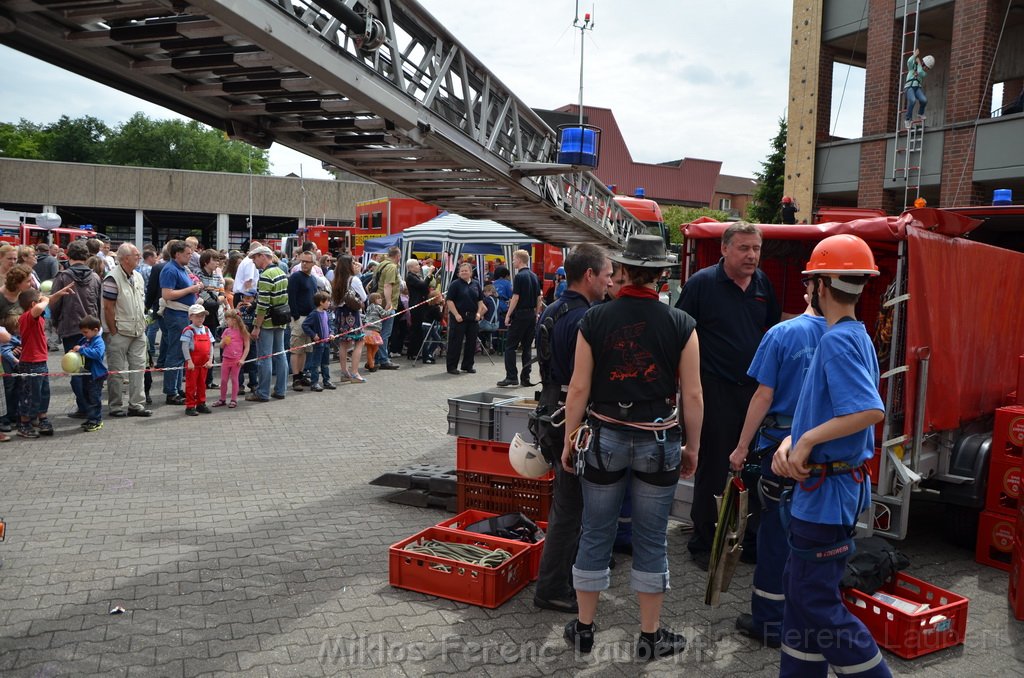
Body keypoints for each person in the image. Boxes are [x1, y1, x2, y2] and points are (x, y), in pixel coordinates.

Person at [559, 234, 702, 661]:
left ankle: (584, 629)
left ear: (622, 272)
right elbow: (692, 395)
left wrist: (570, 441)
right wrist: (693, 446)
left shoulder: (595, 320)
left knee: (596, 531)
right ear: (661, 274)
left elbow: (579, 388)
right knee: (652, 537)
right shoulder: (681, 324)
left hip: (604, 439)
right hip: (659, 440)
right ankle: (649, 636)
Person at [771, 234, 889, 678]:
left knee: (814, 598)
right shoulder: (851, 335)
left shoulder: (837, 341)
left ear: (820, 285)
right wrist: (792, 441)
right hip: (830, 491)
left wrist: (802, 443)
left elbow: (866, 409)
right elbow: (824, 406)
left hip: (827, 496)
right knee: (800, 594)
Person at [727, 277, 826, 648]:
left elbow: (763, 396)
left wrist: (740, 448)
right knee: (814, 536)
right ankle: (810, 614)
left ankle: (770, 621)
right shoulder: (847, 337)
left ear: (810, 289)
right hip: (826, 454)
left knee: (775, 538)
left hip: (780, 452)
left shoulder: (782, 334)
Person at [678, 221, 780, 570]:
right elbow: (681, 336)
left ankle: (748, 539)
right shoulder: (702, 284)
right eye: (743, 248)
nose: (752, 255)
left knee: (752, 466)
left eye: (756, 249)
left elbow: (770, 327)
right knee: (712, 466)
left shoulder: (763, 284)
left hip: (753, 392)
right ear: (724, 249)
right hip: (713, 390)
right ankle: (703, 543)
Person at [532, 243, 613, 614]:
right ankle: (552, 588)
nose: (610, 281)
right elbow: (584, 380)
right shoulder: (585, 319)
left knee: (568, 505)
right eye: (608, 274)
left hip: (552, 410)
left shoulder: (553, 308)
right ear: (590, 275)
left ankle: (562, 579)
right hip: (571, 417)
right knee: (569, 509)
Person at [50, 241, 104, 418]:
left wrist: (56, 323)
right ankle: (92, 405)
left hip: (71, 329)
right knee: (90, 370)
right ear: (86, 256)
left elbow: (55, 303)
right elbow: (98, 303)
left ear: (68, 255)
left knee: (75, 370)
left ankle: (84, 406)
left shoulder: (63, 277)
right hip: (92, 330)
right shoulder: (95, 277)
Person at [16, 284, 75, 438]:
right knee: (30, 395)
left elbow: (45, 303)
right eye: (40, 300)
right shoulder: (28, 317)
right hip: (30, 363)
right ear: (33, 305)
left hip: (40, 361)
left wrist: (59, 294)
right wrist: (44, 299)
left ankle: (42, 418)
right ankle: (24, 424)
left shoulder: (35, 315)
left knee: (43, 393)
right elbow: (41, 306)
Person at [102, 243, 151, 418]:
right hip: (120, 331)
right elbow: (108, 307)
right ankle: (115, 406)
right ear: (124, 259)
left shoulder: (138, 276)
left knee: (139, 368)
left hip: (138, 330)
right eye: (136, 255)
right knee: (116, 371)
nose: (139, 257)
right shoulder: (112, 278)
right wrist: (113, 331)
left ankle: (136, 404)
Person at [160, 240, 202, 405]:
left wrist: (195, 287)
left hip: (183, 314)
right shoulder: (170, 270)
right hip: (176, 315)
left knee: (181, 353)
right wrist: (191, 289)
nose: (190, 256)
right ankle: (171, 392)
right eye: (187, 254)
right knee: (176, 352)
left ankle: (176, 389)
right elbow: (167, 294)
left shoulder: (182, 268)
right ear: (177, 254)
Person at [248, 246, 289, 402]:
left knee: (265, 357)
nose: (254, 262)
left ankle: (263, 392)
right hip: (281, 318)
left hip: (267, 322)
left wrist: (256, 326)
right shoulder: (281, 272)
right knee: (280, 354)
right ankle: (280, 390)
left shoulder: (265, 275)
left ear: (262, 256)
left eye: (255, 258)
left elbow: (263, 305)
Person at [497, 250, 542, 388]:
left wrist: (508, 315)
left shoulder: (519, 277)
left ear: (520, 260)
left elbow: (515, 297)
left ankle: (511, 377)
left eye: (514, 259)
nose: (513, 262)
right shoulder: (534, 276)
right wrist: (536, 314)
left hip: (520, 314)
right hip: (530, 315)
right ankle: (525, 377)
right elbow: (539, 298)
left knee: (510, 347)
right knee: (527, 347)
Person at [445, 261, 486, 376]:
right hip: (459, 317)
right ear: (458, 273)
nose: (463, 272)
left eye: (466, 271)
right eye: (461, 271)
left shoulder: (476, 284)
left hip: (473, 317)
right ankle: (452, 366)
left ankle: (468, 365)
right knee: (455, 342)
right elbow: (449, 301)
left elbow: (480, 300)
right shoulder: (455, 284)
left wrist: (479, 313)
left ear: (470, 272)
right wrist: (456, 314)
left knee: (471, 342)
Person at [331, 255, 366, 384]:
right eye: (353, 262)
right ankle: (355, 372)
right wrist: (358, 275)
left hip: (340, 313)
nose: (355, 264)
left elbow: (334, 301)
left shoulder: (335, 280)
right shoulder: (354, 280)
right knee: (359, 341)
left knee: (343, 344)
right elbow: (364, 297)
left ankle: (344, 372)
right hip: (352, 313)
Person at [70, 314, 108, 432]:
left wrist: (81, 350)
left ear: (95, 330)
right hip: (87, 374)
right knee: (87, 396)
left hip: (96, 376)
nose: (83, 334)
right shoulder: (87, 339)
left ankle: (96, 420)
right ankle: (91, 418)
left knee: (94, 398)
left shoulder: (98, 341)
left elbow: (97, 353)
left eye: (85, 332)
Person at [287, 250, 319, 391]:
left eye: (307, 261)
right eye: (302, 261)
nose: (304, 264)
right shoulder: (295, 277)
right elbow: (291, 297)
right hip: (300, 317)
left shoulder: (312, 278)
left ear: (313, 263)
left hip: (310, 318)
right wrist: (295, 315)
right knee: (296, 349)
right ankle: (295, 378)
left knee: (305, 349)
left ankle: (301, 374)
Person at [213, 309, 249, 408]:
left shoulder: (242, 331)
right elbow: (220, 345)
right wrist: (223, 342)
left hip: (236, 360)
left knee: (234, 379)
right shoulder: (226, 331)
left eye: (227, 320)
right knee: (223, 380)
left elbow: (247, 346)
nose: (226, 322)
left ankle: (234, 399)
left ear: (234, 320)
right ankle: (222, 399)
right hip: (226, 358)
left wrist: (242, 359)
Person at [181, 304, 213, 416]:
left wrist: (210, 360)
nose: (200, 318)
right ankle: (190, 406)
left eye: (202, 316)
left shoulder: (207, 330)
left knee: (202, 384)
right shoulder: (188, 330)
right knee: (191, 385)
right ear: (190, 317)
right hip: (193, 362)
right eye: (197, 316)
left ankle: (201, 403)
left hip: (204, 362)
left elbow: (211, 346)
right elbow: (184, 347)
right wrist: (189, 360)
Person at [300, 291, 335, 392]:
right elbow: (305, 325)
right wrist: (313, 335)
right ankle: (314, 383)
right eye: (328, 301)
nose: (329, 303)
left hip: (327, 343)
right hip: (319, 344)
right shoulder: (314, 314)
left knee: (325, 363)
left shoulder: (327, 313)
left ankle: (326, 381)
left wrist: (331, 333)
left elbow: (330, 325)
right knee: (316, 364)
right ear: (321, 302)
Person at [373, 246, 402, 370]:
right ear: (398, 256)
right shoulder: (391, 267)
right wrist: (389, 303)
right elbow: (387, 285)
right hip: (386, 304)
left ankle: (376, 358)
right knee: (385, 333)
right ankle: (384, 359)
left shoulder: (381, 264)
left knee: (378, 332)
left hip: (377, 301)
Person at [405, 259, 430, 360]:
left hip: (421, 303)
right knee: (416, 328)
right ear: (410, 267)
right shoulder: (410, 277)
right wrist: (429, 274)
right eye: (416, 265)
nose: (419, 267)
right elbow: (423, 285)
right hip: (416, 304)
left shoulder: (416, 276)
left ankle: (417, 350)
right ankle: (412, 352)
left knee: (419, 329)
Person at [904, 48, 935, 130]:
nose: (927, 70)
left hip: (917, 87)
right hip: (909, 87)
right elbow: (909, 62)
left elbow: (920, 72)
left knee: (924, 100)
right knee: (912, 100)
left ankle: (920, 113)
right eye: (927, 67)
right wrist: (914, 56)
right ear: (923, 64)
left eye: (928, 69)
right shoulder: (913, 67)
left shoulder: (923, 72)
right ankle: (908, 119)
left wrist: (919, 63)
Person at [362, 292, 388, 372]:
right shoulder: (378, 307)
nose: (380, 299)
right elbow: (384, 314)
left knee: (370, 348)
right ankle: (371, 365)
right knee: (375, 347)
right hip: (374, 330)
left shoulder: (369, 307)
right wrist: (390, 309)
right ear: (373, 300)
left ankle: (369, 363)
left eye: (380, 298)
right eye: (378, 298)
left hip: (367, 330)